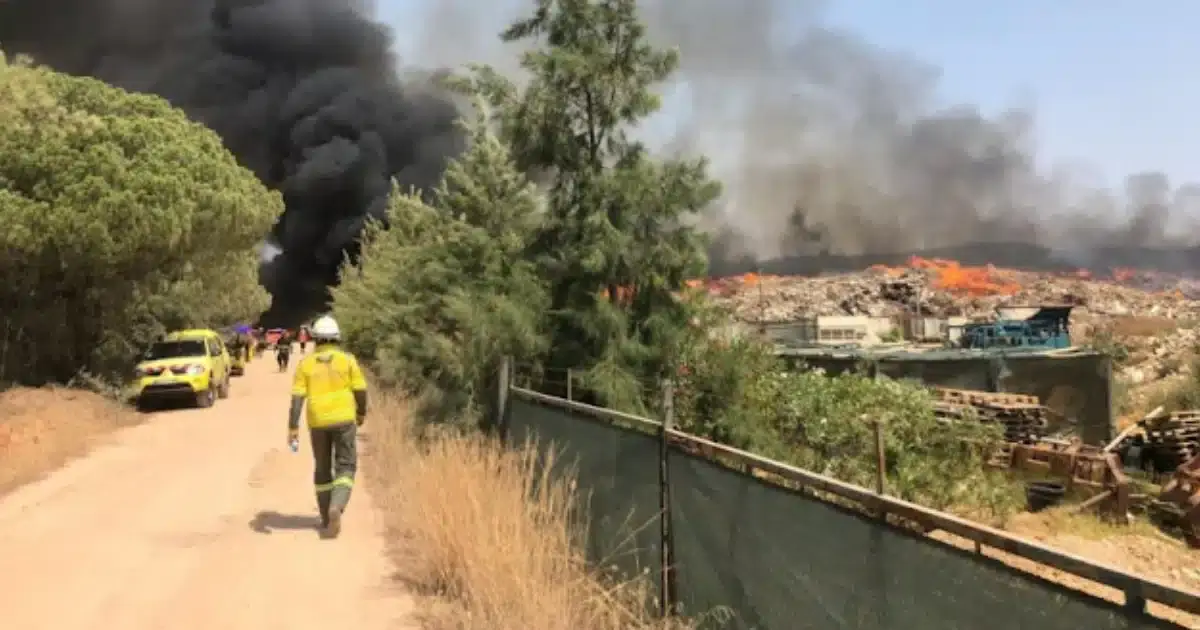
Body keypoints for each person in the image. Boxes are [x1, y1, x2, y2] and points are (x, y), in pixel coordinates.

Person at [286, 315, 368, 538]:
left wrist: (293, 429)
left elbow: (296, 400)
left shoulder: (306, 364)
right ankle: (337, 506)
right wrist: (361, 412)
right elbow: (361, 391)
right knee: (346, 466)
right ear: (336, 338)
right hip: (344, 420)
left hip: (318, 423)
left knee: (322, 468)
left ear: (315, 339)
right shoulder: (348, 360)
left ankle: (325, 517)